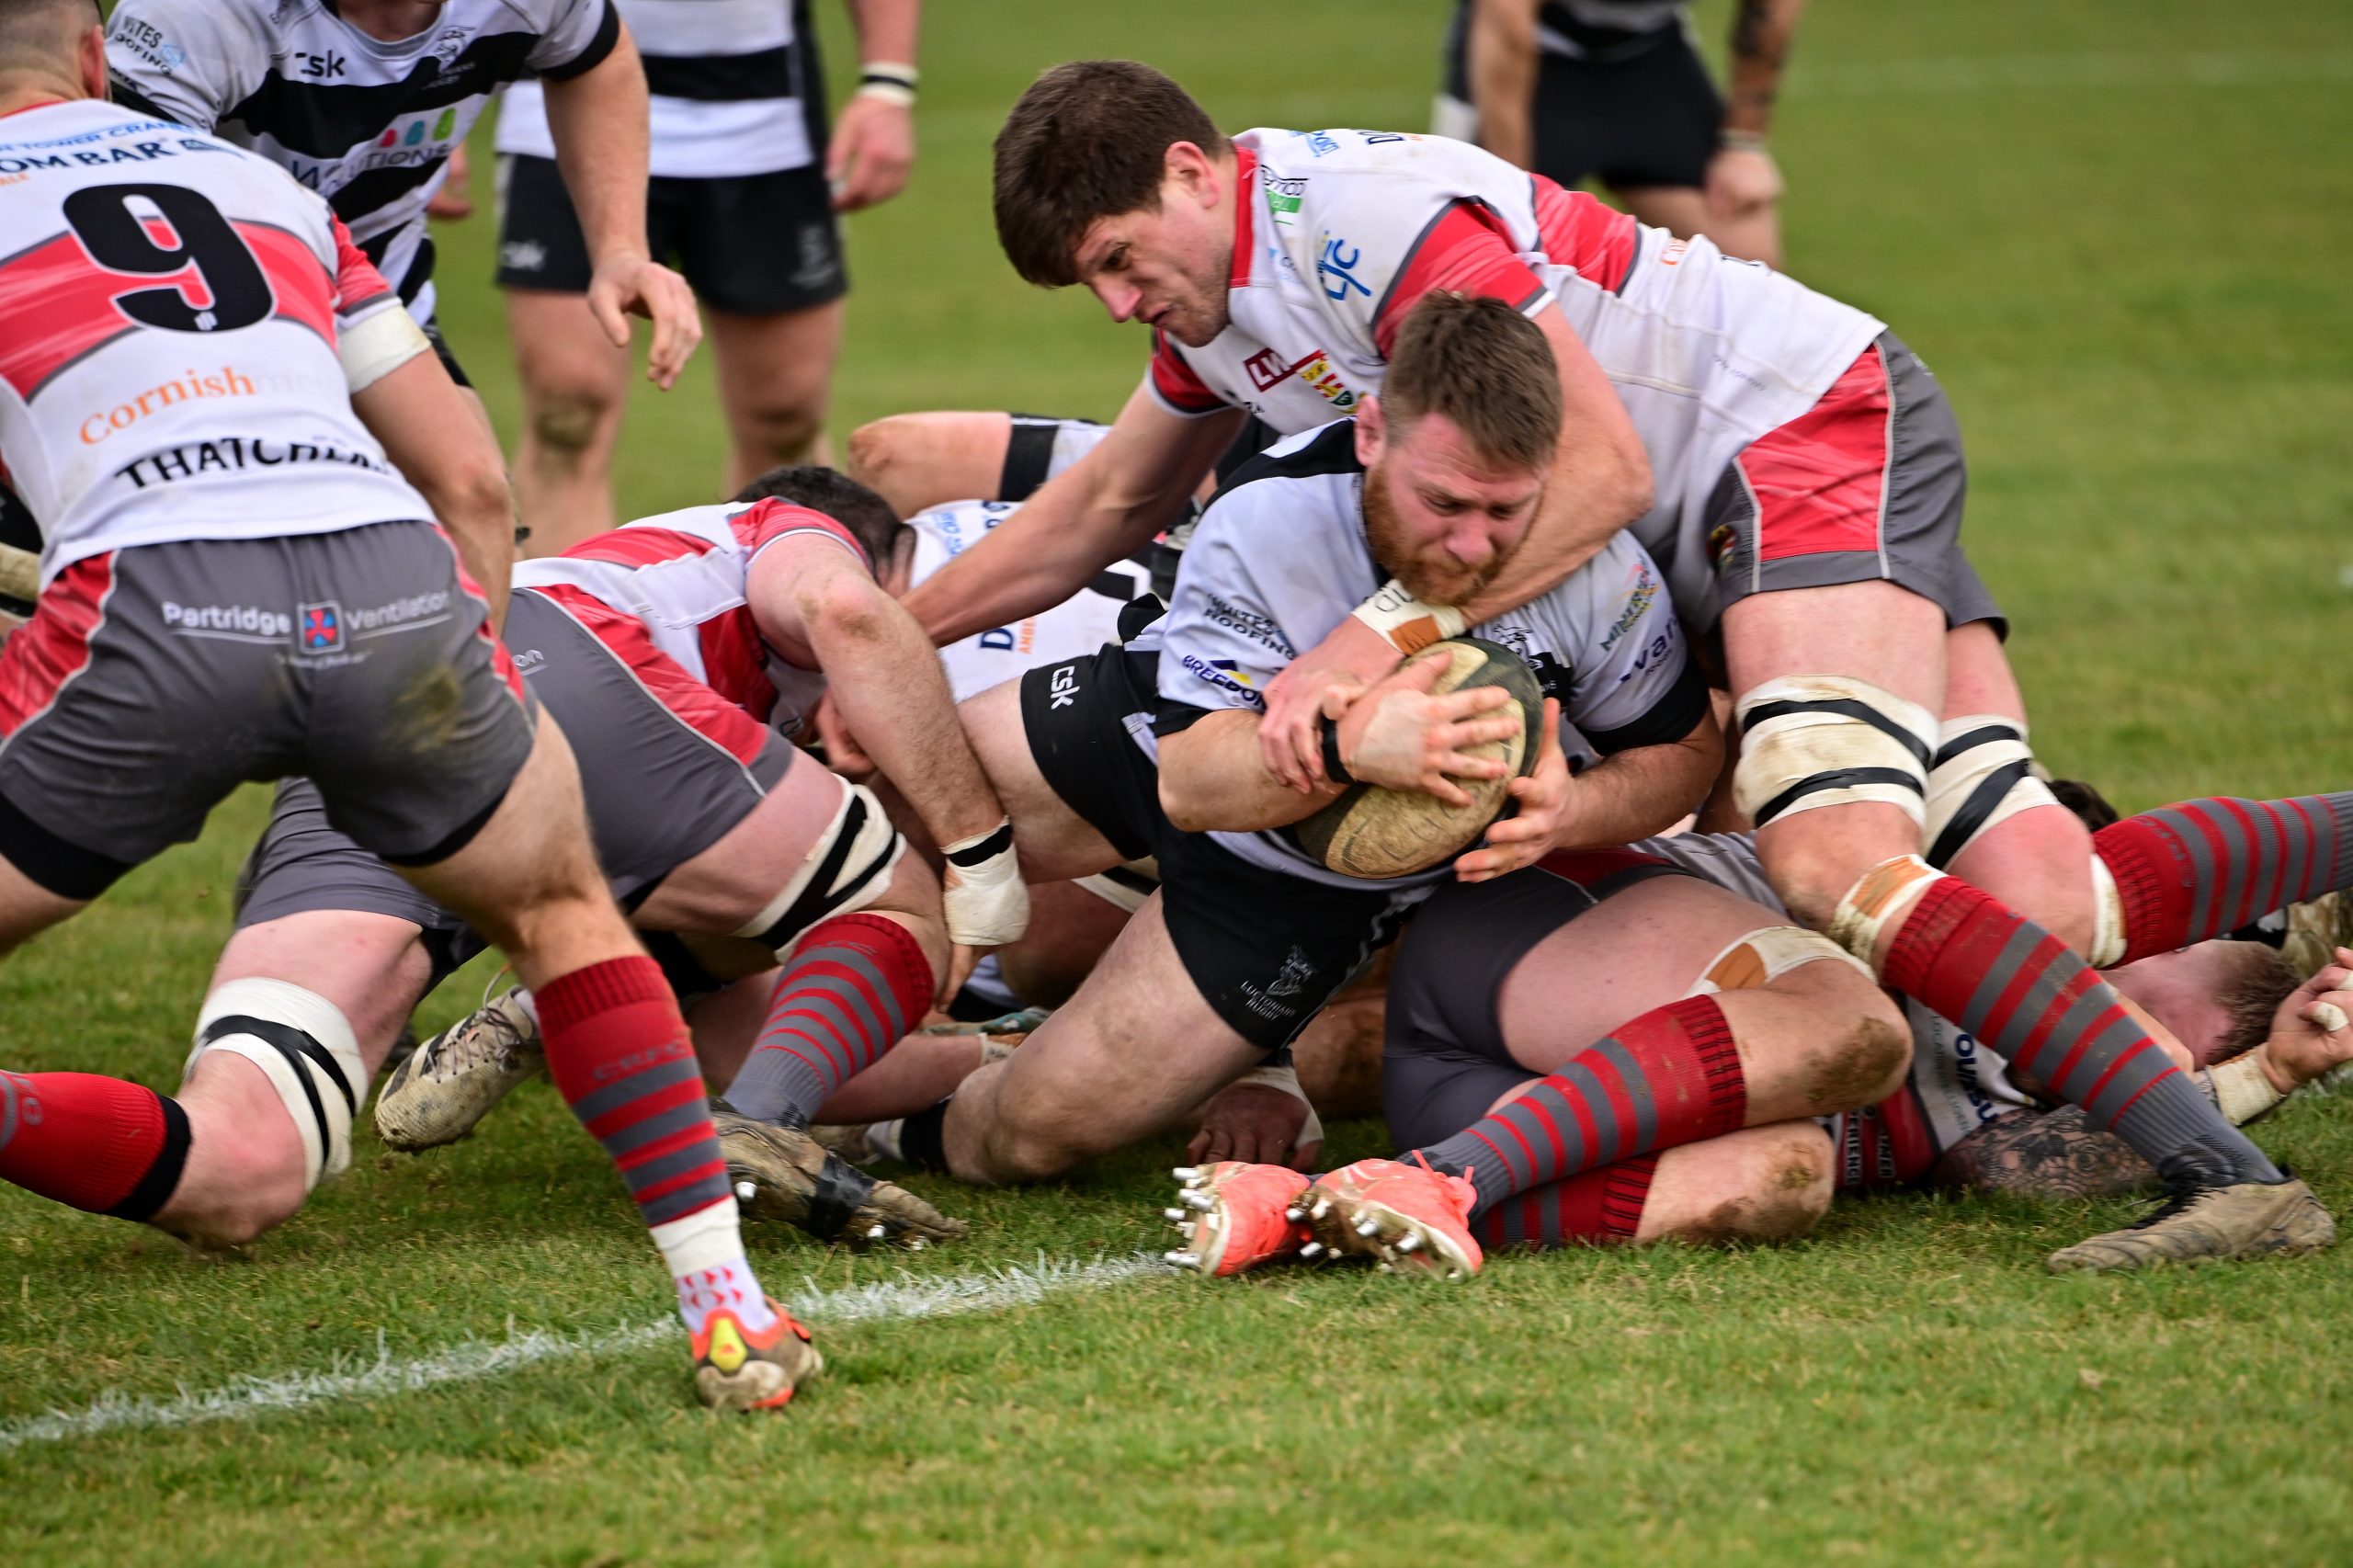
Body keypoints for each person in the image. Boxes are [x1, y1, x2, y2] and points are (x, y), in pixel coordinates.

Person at [901, 60, 2336, 1268]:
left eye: (1114, 259)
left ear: (1191, 173)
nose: (1112, 302)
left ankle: (2221, 1174)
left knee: (1836, 860)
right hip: (1674, 552)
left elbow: (1599, 466)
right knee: (2018, 896)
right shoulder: (1234, 306)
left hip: (1799, 444)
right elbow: (1099, 509)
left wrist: (1362, 644)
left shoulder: (1361, 226)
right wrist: (883, 650)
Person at [0, 2, 800, 1412]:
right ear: (89, 58)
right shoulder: (268, 193)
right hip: (392, 582)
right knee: (561, 916)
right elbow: (477, 485)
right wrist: (467, 668)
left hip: (149, 611)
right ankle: (726, 1304)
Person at [877, 294, 1718, 1189]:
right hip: (1170, 728)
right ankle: (725, 1007)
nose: (1471, 543)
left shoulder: (1600, 574)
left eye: (1505, 509)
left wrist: (1572, 808)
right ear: (1369, 436)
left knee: (1029, 1135)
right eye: (1441, 500)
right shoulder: (1273, 511)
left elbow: (1684, 755)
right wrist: (1349, 744)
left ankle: (897, 1122)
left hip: (1299, 890)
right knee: (884, 804)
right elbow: (1193, 782)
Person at [329, 468, 1022, 1242]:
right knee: (891, 898)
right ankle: (752, 1118)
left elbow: (742, 1024)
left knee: (270, 1073)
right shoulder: (785, 531)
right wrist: (982, 854)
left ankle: (531, 1016)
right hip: (565, 677)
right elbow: (850, 607)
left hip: (388, 698)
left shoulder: (641, 572)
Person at [105, 0, 700, 399]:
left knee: (474, 500)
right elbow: (120, 209)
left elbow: (596, 57)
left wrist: (620, 248)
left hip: (374, 281)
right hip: (195, 301)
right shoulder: (196, 15)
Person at [494, 0, 920, 552]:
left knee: (784, 412)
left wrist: (887, 85)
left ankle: (782, 613)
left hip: (762, 104)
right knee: (566, 411)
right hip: (559, 84)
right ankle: (566, 629)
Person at [1434, 0, 1805, 268]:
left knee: (1754, 267)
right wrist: (1511, 197)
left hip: (1648, 55)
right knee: (1482, 271)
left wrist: (1743, 143)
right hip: (1531, 57)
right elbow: (1506, 27)